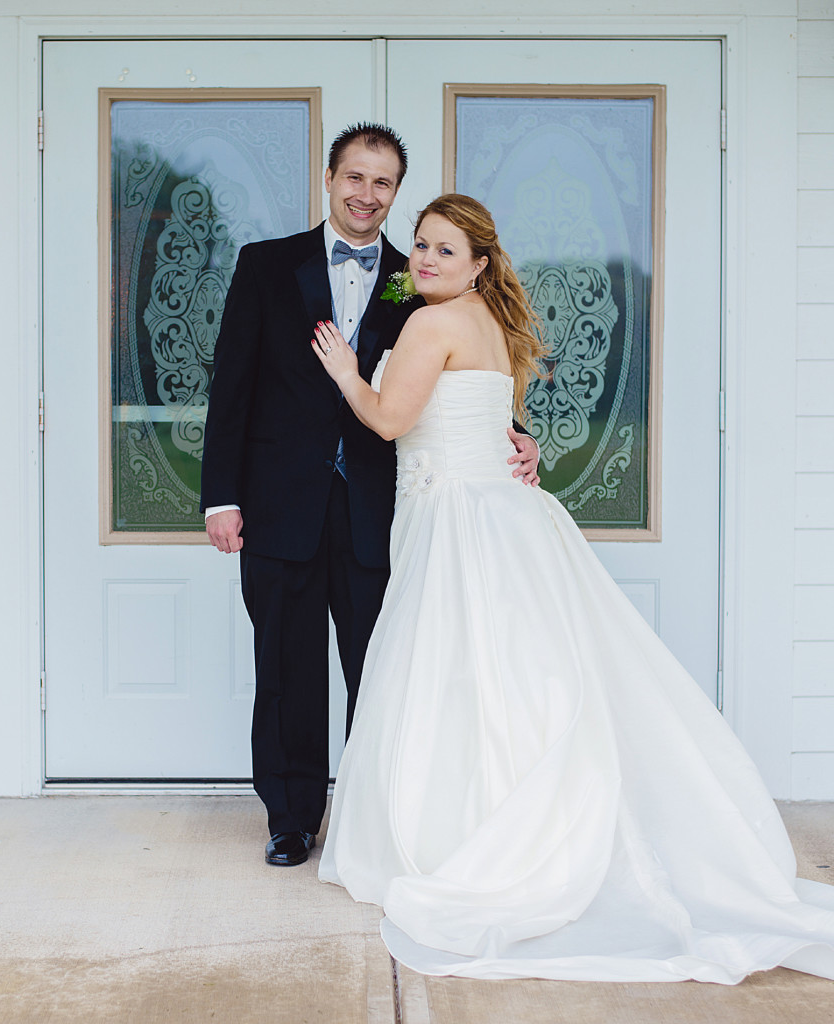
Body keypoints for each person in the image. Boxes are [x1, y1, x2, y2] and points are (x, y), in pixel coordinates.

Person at [312, 193, 834, 983]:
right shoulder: (480, 317)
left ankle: (471, 833)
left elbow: (388, 421)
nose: (422, 260)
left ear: (479, 263)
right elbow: (477, 404)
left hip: (457, 521)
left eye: (444, 250)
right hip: (505, 512)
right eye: (419, 244)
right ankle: (517, 816)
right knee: (512, 679)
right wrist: (518, 442)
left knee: (459, 676)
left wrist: (349, 374)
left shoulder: (430, 322)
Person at [200, 126, 540, 869]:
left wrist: (510, 429)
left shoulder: (408, 276)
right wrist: (219, 496)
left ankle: (376, 815)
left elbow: (446, 374)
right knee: (285, 670)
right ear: (329, 179)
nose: (366, 194)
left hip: (378, 514)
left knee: (383, 670)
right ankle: (290, 819)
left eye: (382, 183)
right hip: (279, 502)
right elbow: (231, 384)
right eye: (355, 177)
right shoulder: (266, 265)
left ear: (395, 193)